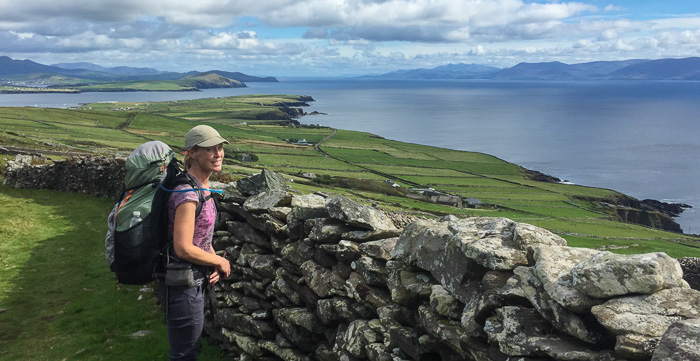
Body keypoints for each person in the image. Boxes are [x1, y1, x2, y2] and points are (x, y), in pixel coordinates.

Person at [159, 124, 232, 361]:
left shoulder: (202, 187)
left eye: (220, 147)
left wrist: (210, 262)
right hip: (183, 285)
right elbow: (183, 247)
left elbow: (202, 236)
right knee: (185, 354)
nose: (218, 153)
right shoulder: (187, 194)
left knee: (190, 350)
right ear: (191, 152)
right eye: (210, 148)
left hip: (195, 280)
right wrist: (219, 260)